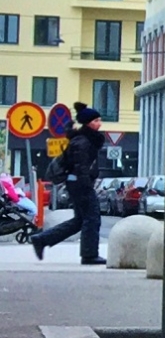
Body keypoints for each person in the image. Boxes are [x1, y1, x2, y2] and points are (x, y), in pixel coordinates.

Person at [31, 107, 106, 264]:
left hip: (77, 183)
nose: (99, 123)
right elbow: (81, 166)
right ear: (87, 123)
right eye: (96, 121)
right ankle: (89, 255)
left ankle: (41, 239)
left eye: (99, 120)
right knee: (92, 218)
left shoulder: (85, 138)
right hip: (80, 184)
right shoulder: (83, 141)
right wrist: (86, 184)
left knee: (80, 220)